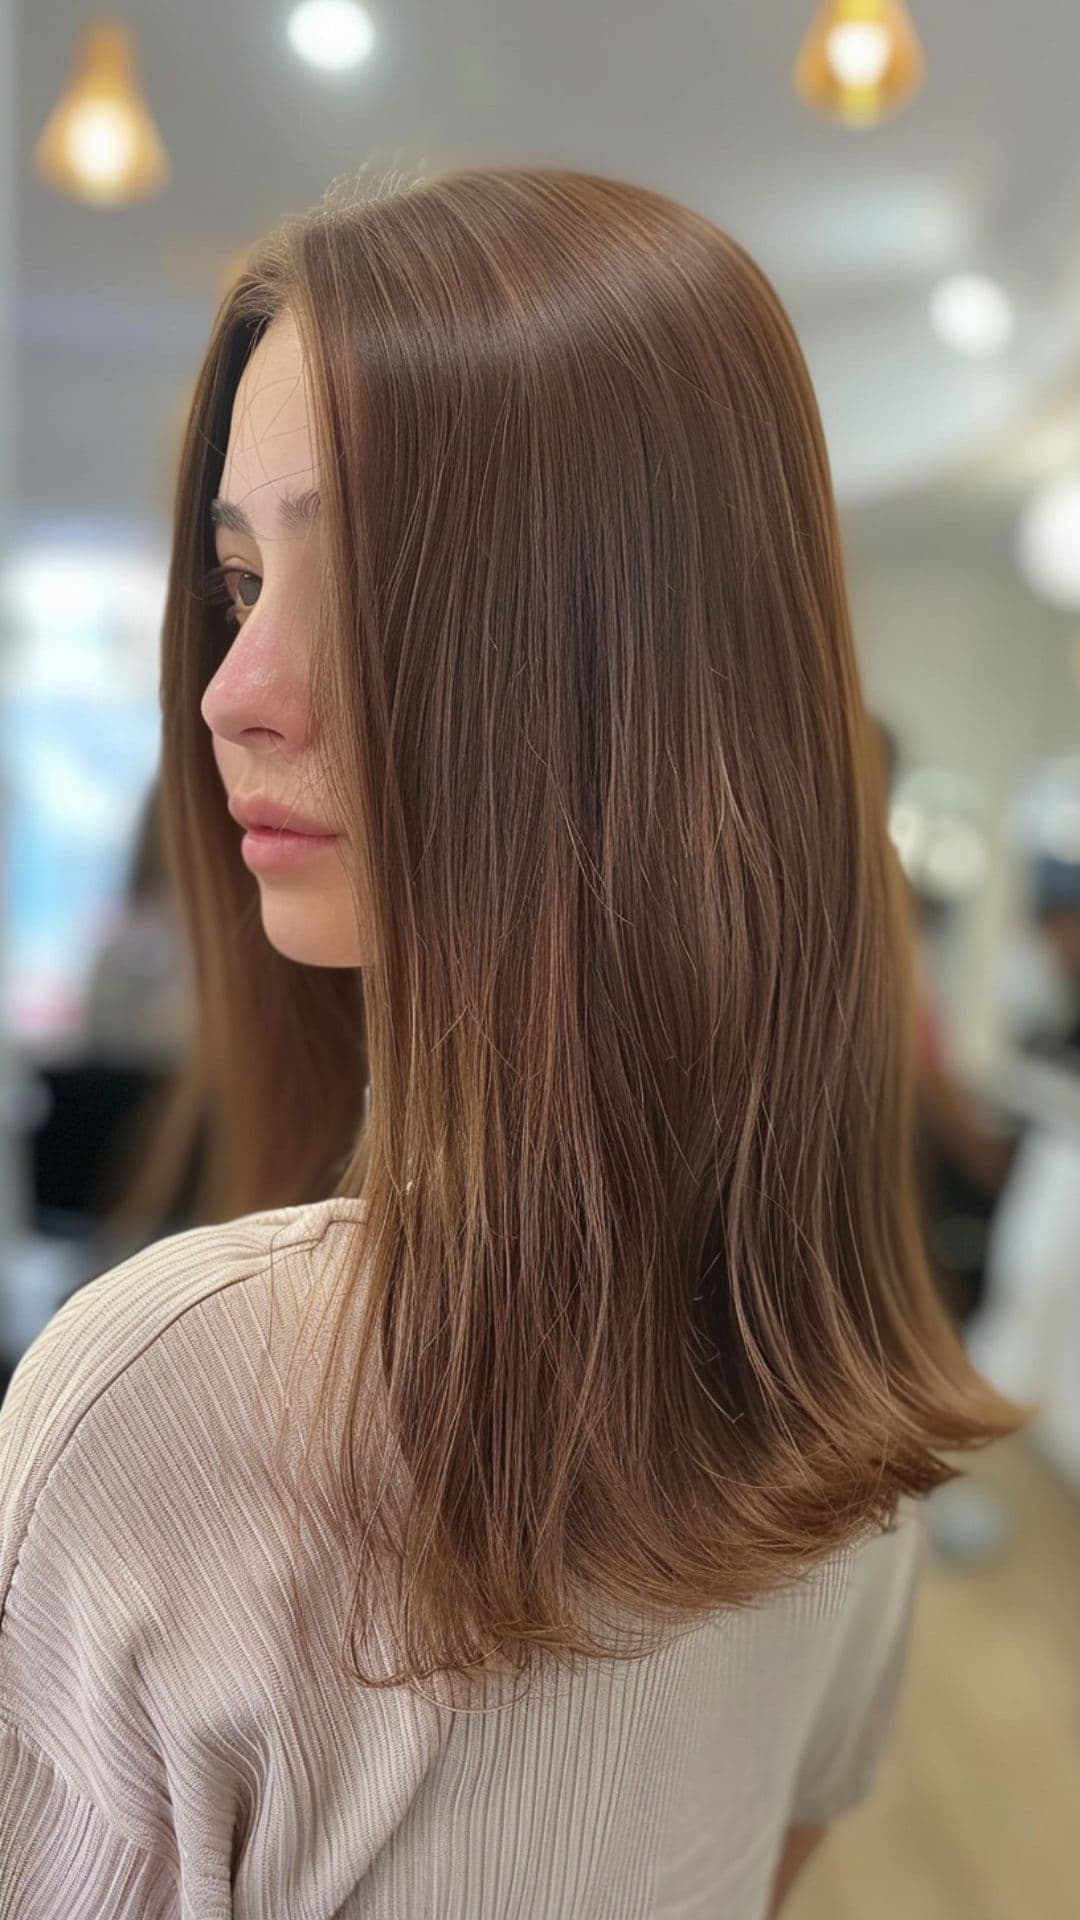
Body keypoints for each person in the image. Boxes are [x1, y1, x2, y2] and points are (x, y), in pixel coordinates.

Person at [0, 166, 1028, 1919]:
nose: (231, 687)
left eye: (381, 572)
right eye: (241, 583)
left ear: (649, 660)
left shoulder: (163, 1408)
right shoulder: (843, 1427)